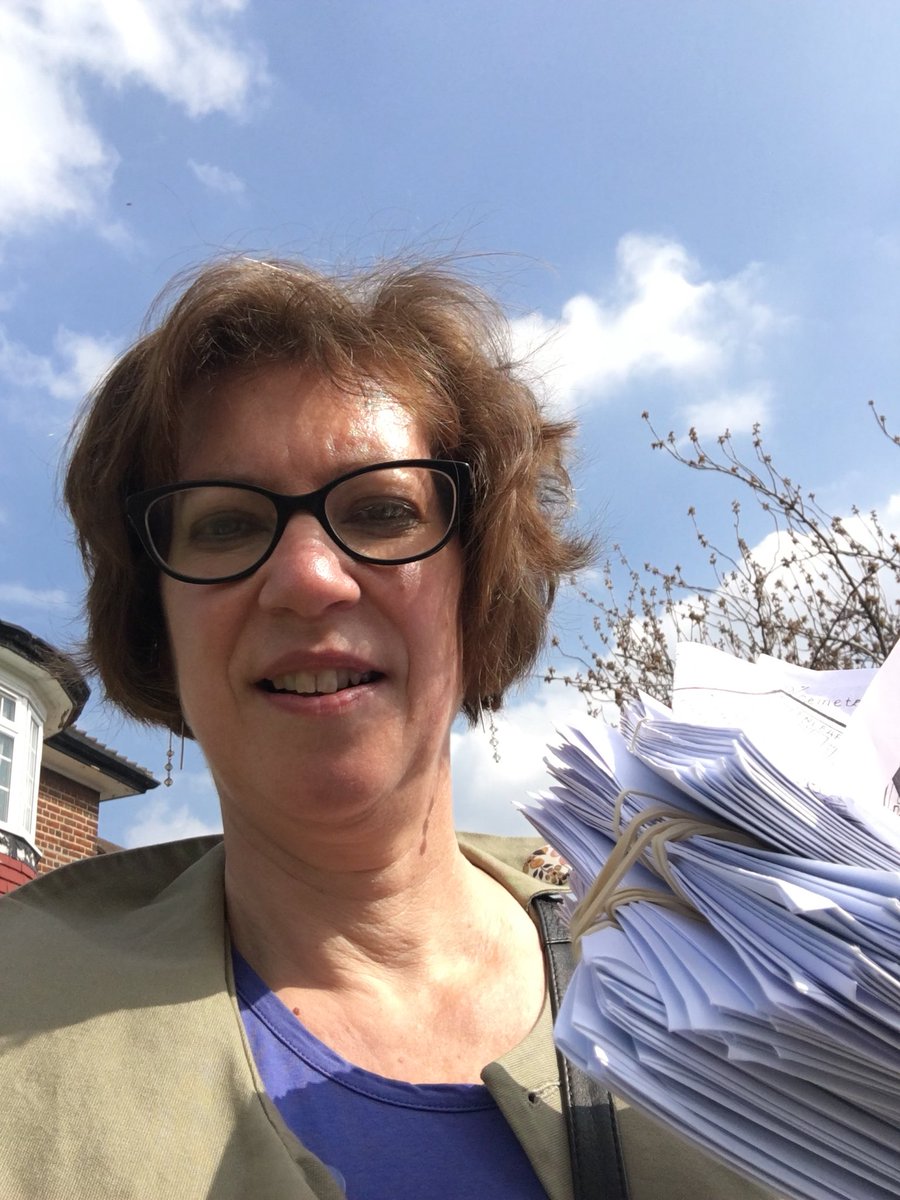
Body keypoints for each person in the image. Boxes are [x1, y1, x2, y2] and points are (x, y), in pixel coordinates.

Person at [0, 257, 777, 1199]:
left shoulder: (741, 958)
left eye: (380, 510)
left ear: (475, 585)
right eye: (225, 526)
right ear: (157, 616)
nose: (307, 578)